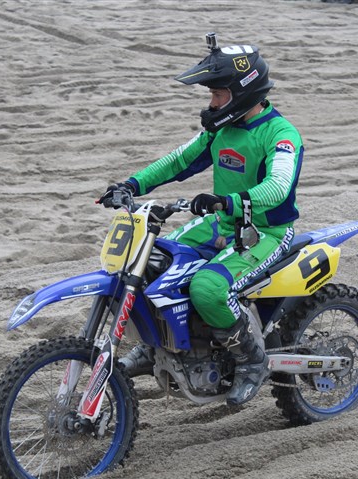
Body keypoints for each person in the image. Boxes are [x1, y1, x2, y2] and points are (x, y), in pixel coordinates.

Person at [102, 34, 304, 406]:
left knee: (208, 289)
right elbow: (178, 161)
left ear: (243, 91)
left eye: (218, 95)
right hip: (224, 223)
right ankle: (156, 344)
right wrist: (131, 184)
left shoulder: (281, 134)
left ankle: (252, 361)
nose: (211, 103)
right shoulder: (221, 131)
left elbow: (277, 187)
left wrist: (229, 200)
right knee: (154, 262)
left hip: (266, 232)